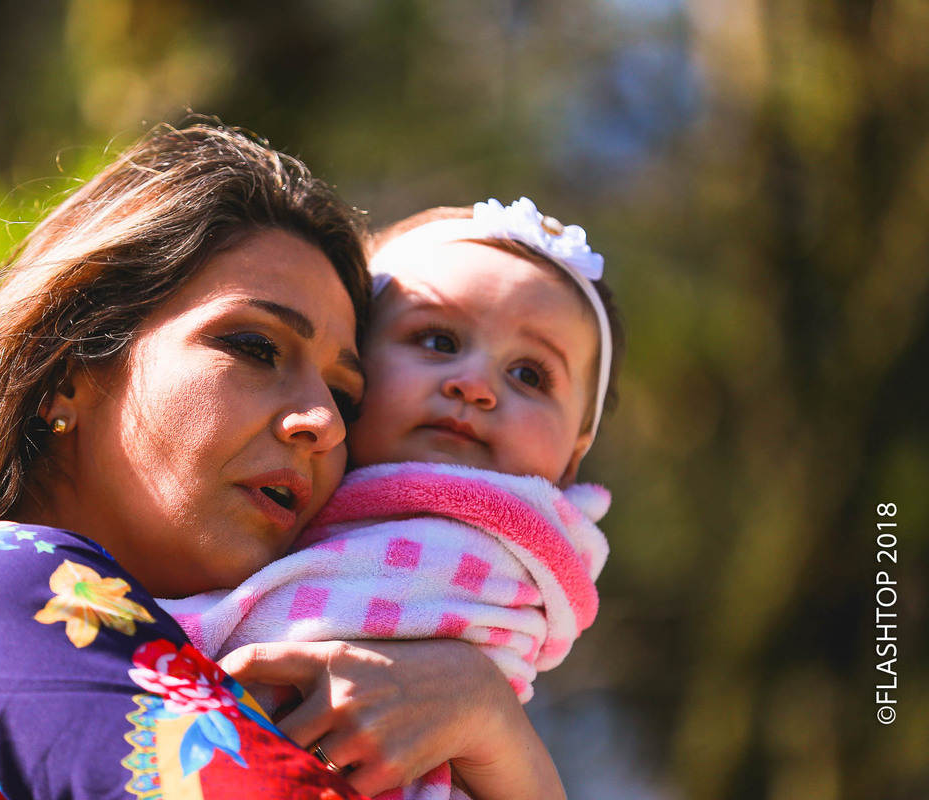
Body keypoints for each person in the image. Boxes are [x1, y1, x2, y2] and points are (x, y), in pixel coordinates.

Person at [0, 125, 565, 800]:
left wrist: (492, 723)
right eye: (254, 346)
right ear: (67, 370)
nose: (320, 423)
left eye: (347, 398)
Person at [160, 197, 626, 799]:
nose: (475, 385)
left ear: (573, 455)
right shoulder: (273, 489)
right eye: (436, 339)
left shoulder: (505, 549)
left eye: (530, 375)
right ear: (349, 368)